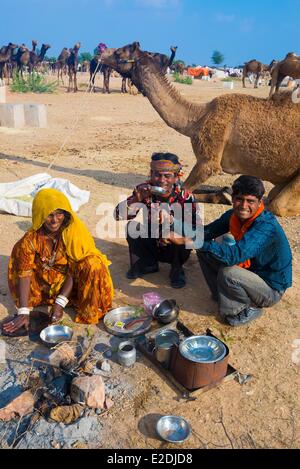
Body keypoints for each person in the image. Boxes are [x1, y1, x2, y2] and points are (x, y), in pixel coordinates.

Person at [2, 189, 114, 335]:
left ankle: (85, 307)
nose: (54, 220)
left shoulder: (72, 233)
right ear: (40, 215)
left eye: (59, 214)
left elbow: (74, 272)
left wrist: (59, 304)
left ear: (66, 214)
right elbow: (24, 274)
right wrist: (23, 312)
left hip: (69, 285)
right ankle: (45, 301)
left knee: (93, 264)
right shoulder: (30, 240)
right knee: (18, 251)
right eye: (49, 215)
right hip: (40, 287)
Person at [196, 175, 292, 326]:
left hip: (270, 288)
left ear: (260, 202)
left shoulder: (266, 225)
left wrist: (190, 240)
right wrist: (173, 225)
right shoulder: (232, 216)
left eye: (250, 201)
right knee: (205, 248)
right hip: (253, 272)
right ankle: (220, 294)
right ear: (232, 198)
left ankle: (243, 309)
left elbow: (235, 256)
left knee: (228, 272)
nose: (243, 205)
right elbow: (205, 233)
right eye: (239, 199)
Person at [114, 152, 197, 288]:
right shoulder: (144, 190)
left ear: (176, 177)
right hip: (152, 242)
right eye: (157, 175)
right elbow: (118, 216)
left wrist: (172, 233)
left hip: (174, 247)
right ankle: (147, 264)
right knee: (132, 227)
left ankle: (177, 268)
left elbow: (195, 233)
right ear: (151, 175)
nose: (161, 180)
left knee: (184, 235)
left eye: (167, 176)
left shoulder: (185, 197)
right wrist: (136, 199)